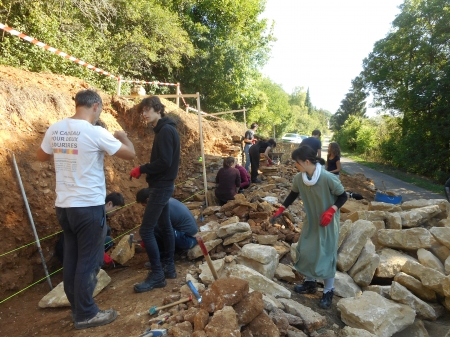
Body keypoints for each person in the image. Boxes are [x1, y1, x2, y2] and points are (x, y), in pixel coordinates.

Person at [37, 89, 135, 329]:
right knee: (88, 262)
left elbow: (41, 156)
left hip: (65, 207)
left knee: (72, 260)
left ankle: (77, 309)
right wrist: (123, 136)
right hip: (89, 207)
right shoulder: (95, 132)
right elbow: (130, 154)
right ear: (96, 106)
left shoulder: (55, 128)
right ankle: (86, 314)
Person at [270, 145, 347, 309]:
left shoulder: (327, 178)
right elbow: (293, 194)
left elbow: (343, 196)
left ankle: (328, 291)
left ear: (306, 162)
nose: (295, 166)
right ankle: (310, 283)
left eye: (296, 163)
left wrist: (331, 211)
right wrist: (281, 209)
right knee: (306, 250)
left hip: (327, 222)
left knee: (326, 255)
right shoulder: (299, 178)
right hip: (312, 220)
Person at [129, 96, 180, 293]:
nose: (144, 113)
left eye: (148, 109)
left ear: (158, 109)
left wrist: (142, 168)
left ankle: (158, 275)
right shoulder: (165, 129)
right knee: (165, 226)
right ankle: (169, 267)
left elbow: (164, 162)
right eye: (143, 111)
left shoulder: (166, 130)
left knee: (147, 230)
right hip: (164, 185)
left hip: (161, 186)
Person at [55, 192, 125, 264]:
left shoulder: (95, 209)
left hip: (67, 246)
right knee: (109, 241)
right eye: (116, 210)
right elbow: (88, 239)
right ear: (109, 204)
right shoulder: (97, 217)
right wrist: (103, 257)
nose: (116, 213)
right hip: (69, 253)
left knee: (107, 230)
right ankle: (90, 262)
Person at [136, 189, 198, 257]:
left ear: (148, 200)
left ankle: (162, 258)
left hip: (188, 240)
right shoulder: (165, 200)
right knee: (160, 228)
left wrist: (147, 241)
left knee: (156, 228)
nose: (145, 208)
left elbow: (151, 229)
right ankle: (174, 250)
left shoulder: (160, 208)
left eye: (144, 206)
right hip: (191, 237)